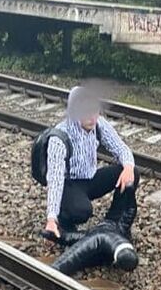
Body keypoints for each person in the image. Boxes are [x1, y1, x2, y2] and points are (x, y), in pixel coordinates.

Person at [43, 86, 139, 238]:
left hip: (91, 177)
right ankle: (64, 220)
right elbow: (55, 179)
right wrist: (51, 218)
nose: (92, 117)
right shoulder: (59, 137)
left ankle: (113, 221)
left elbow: (121, 148)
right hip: (69, 183)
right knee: (81, 211)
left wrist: (128, 167)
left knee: (131, 173)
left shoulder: (99, 124)